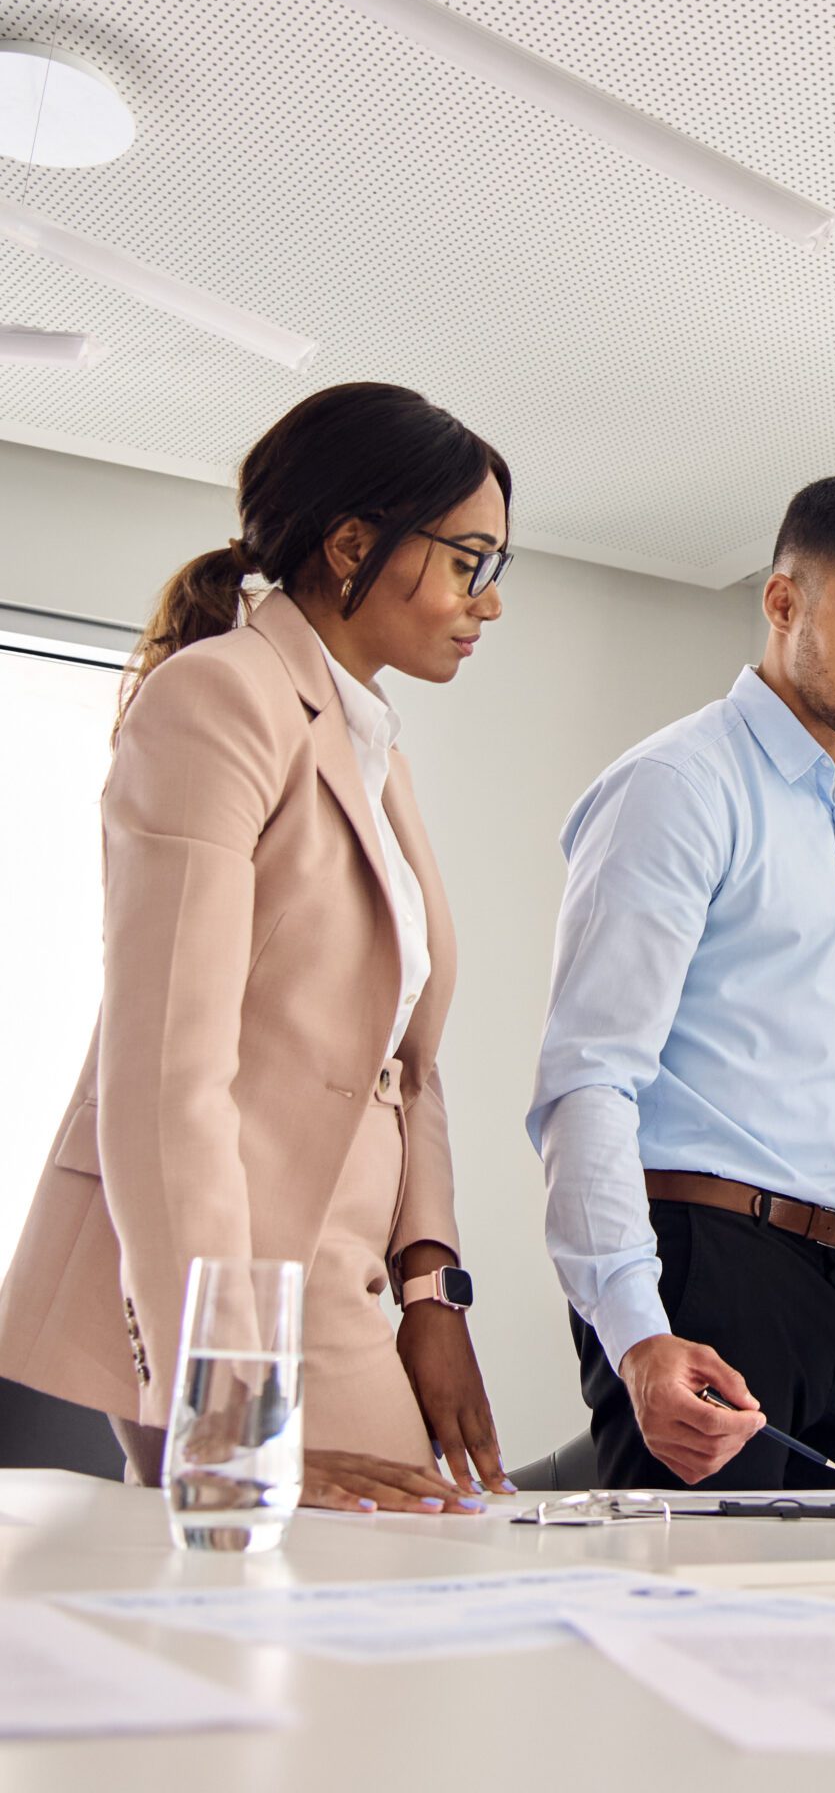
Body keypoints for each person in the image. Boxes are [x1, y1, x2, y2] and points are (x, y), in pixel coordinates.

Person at [0, 382, 516, 1515]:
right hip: (224, 1280)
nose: (488, 601)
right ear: (350, 544)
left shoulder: (377, 748)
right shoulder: (218, 697)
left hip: (340, 1275)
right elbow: (162, 1076)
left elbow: (405, 1056)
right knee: (368, 1600)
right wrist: (226, 1410)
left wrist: (433, 1286)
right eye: (469, 558)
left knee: (401, 1599)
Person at [531, 475, 835, 1491]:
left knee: (834, 1634)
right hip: (699, 1266)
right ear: (783, 605)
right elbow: (587, 1081)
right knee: (692, 1629)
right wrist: (637, 1333)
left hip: (830, 1281)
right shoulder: (677, 788)